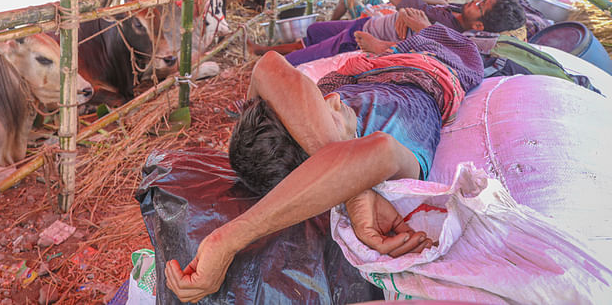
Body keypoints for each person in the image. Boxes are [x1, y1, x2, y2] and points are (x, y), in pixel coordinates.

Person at [166, 25, 483, 303]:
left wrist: (347, 176)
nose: (332, 99)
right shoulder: (406, 125)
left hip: (377, 66)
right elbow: (380, 152)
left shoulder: (330, 108)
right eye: (325, 110)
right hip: (432, 62)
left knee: (405, 34)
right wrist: (354, 185)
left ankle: (398, 44)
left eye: (317, 108)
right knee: (438, 31)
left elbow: (269, 66)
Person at [251, 0, 526, 66]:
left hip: (358, 37)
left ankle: (265, 55)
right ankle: (265, 49)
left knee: (292, 62)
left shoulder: (441, 29)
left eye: (481, 4)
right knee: (312, 32)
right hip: (368, 22)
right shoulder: (455, 12)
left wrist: (413, 11)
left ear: (478, 26)